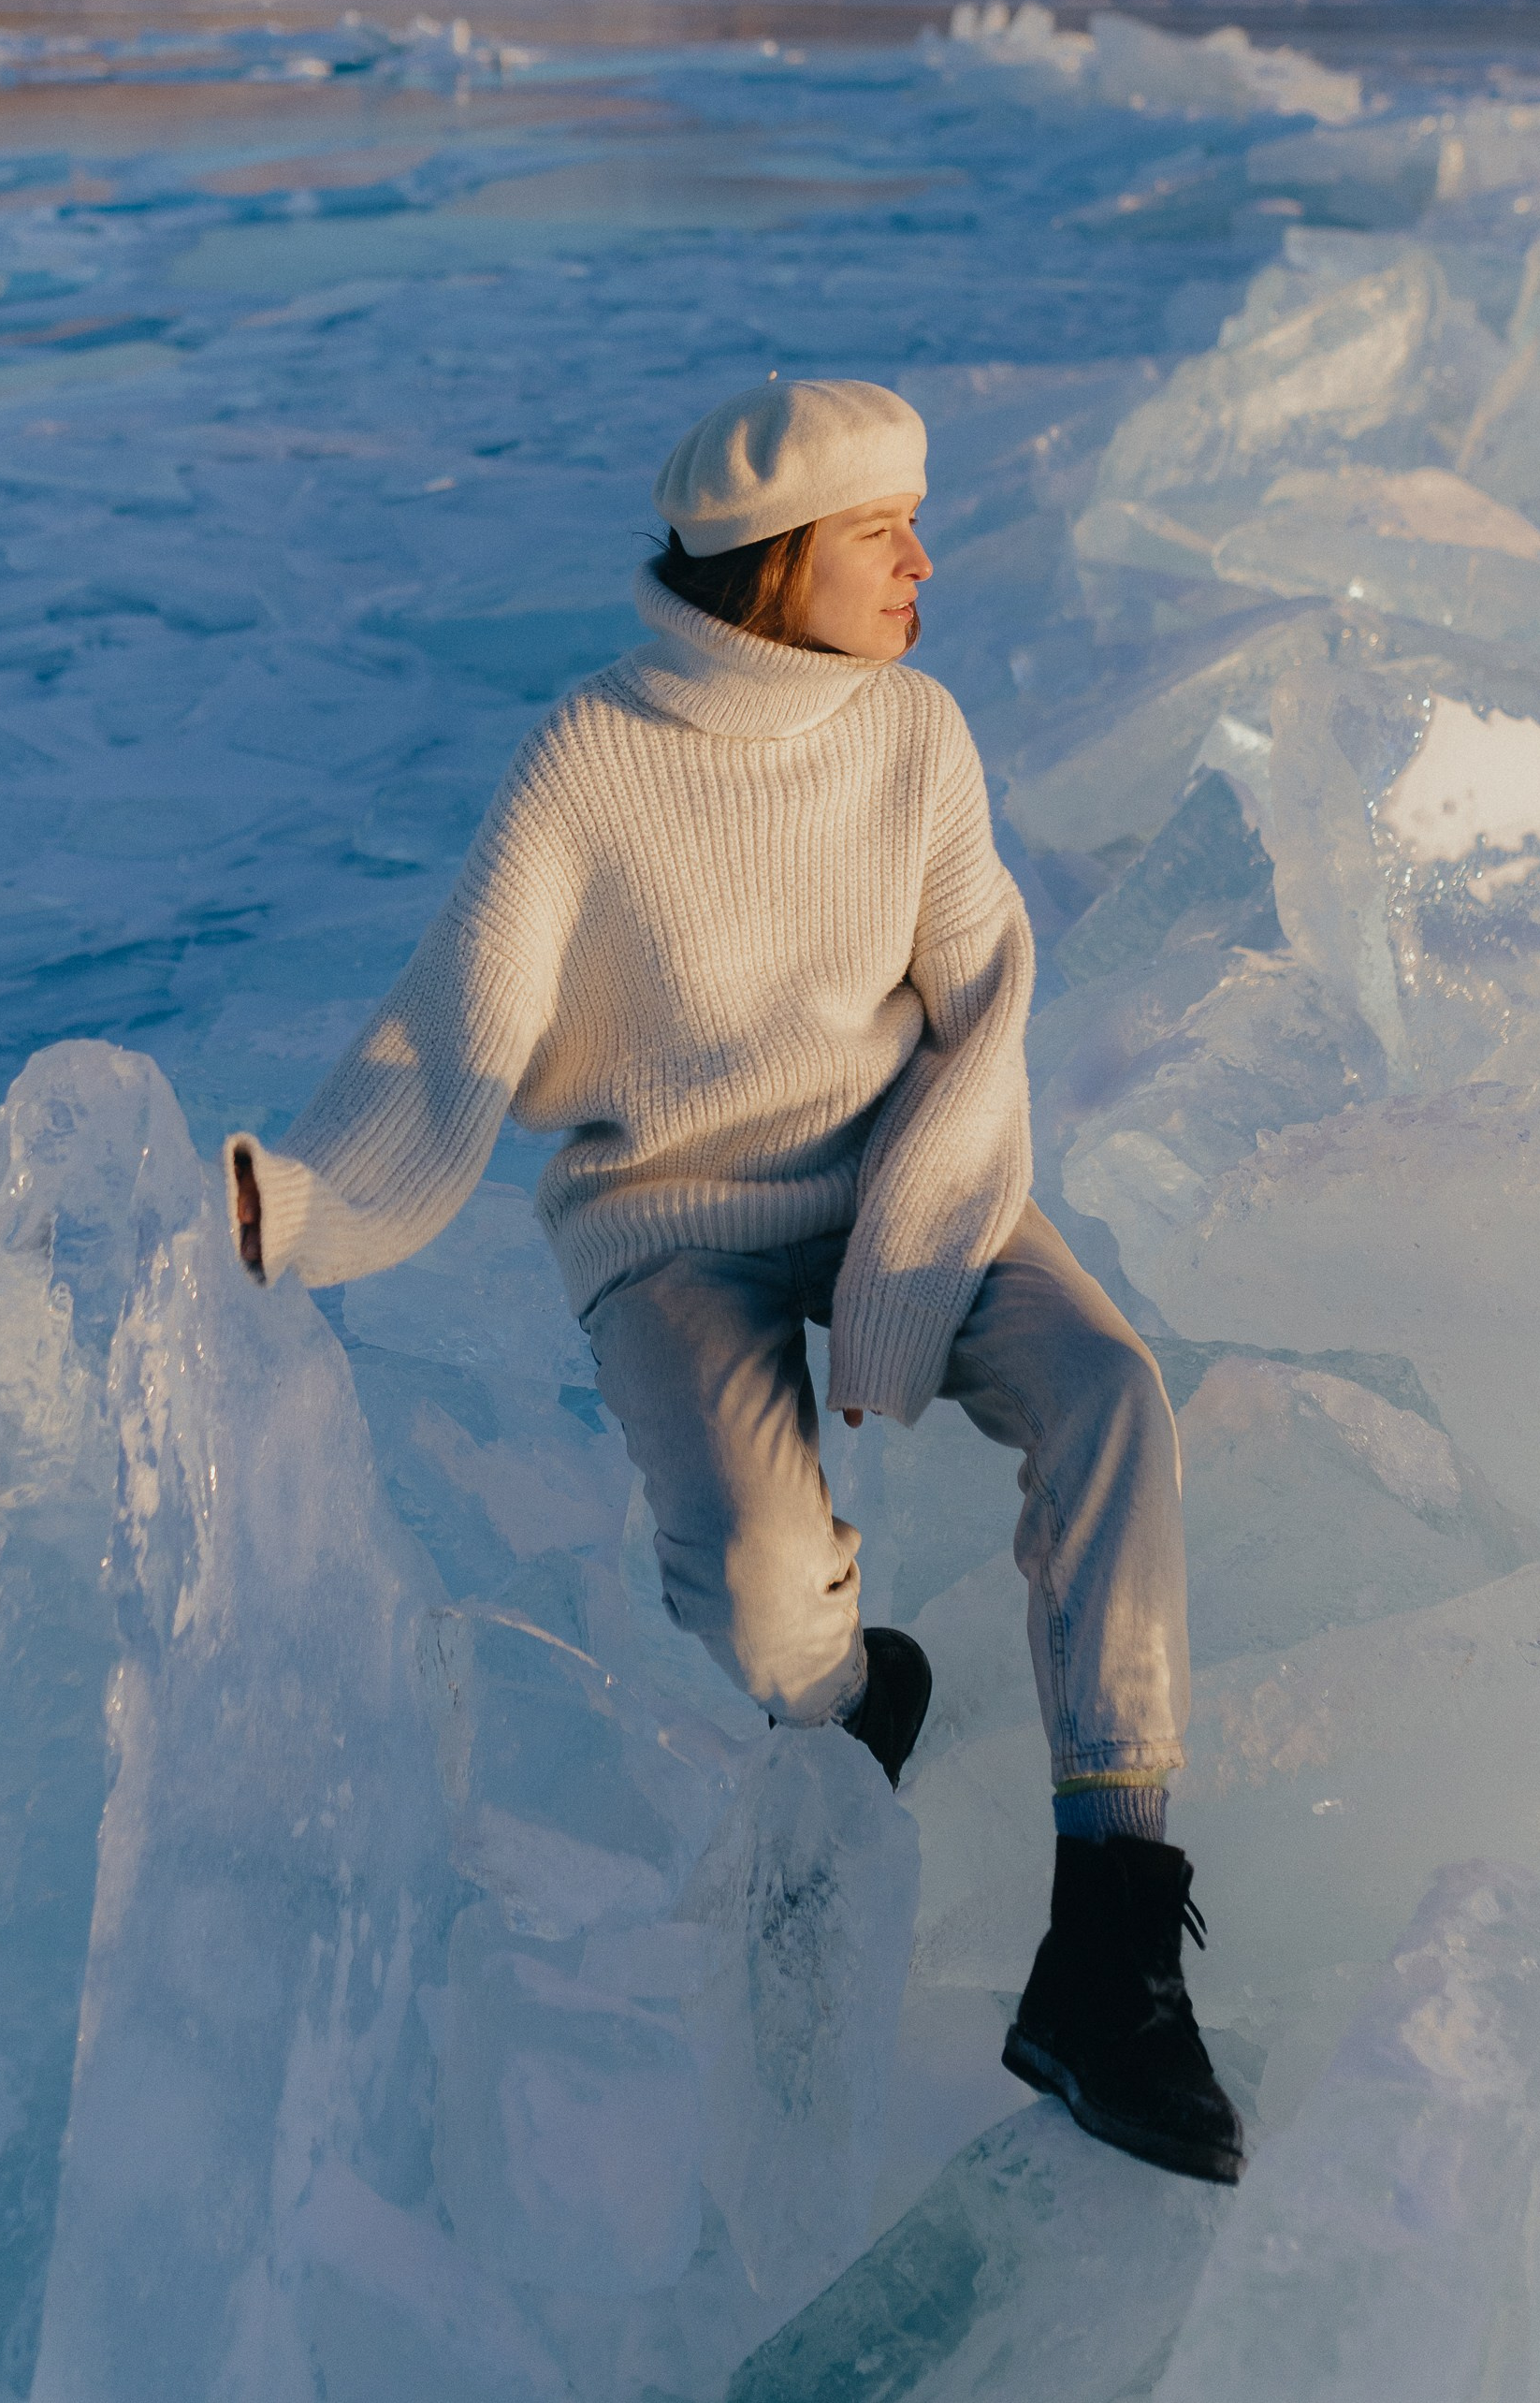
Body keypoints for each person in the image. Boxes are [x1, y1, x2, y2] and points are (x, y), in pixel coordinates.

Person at [227, 377, 1242, 2187]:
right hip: (671, 1207)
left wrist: (906, 1263)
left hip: (905, 1174)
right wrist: (301, 1210)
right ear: (774, 561)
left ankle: (1109, 1935)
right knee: (769, 1598)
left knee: (1110, 1397)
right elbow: (456, 1031)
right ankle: (861, 1703)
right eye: (881, 534)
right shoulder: (591, 757)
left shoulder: (914, 732)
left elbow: (985, 1005)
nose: (923, 563)